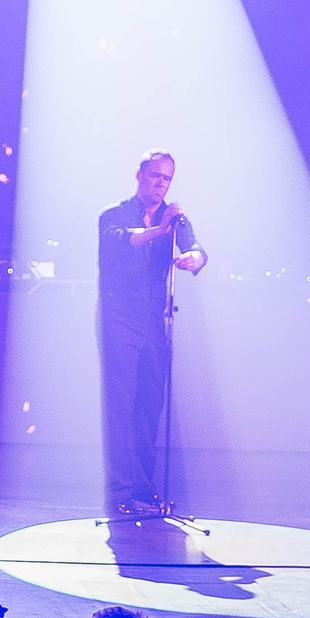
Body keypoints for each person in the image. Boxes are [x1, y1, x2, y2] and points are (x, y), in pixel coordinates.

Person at [96, 152, 208, 515]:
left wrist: (194, 258)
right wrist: (160, 232)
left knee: (149, 405)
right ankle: (120, 491)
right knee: (121, 406)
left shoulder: (173, 218)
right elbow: (123, 240)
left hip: (153, 322)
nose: (160, 184)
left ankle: (144, 488)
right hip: (118, 319)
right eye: (155, 176)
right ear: (139, 175)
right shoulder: (113, 214)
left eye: (167, 179)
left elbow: (196, 246)